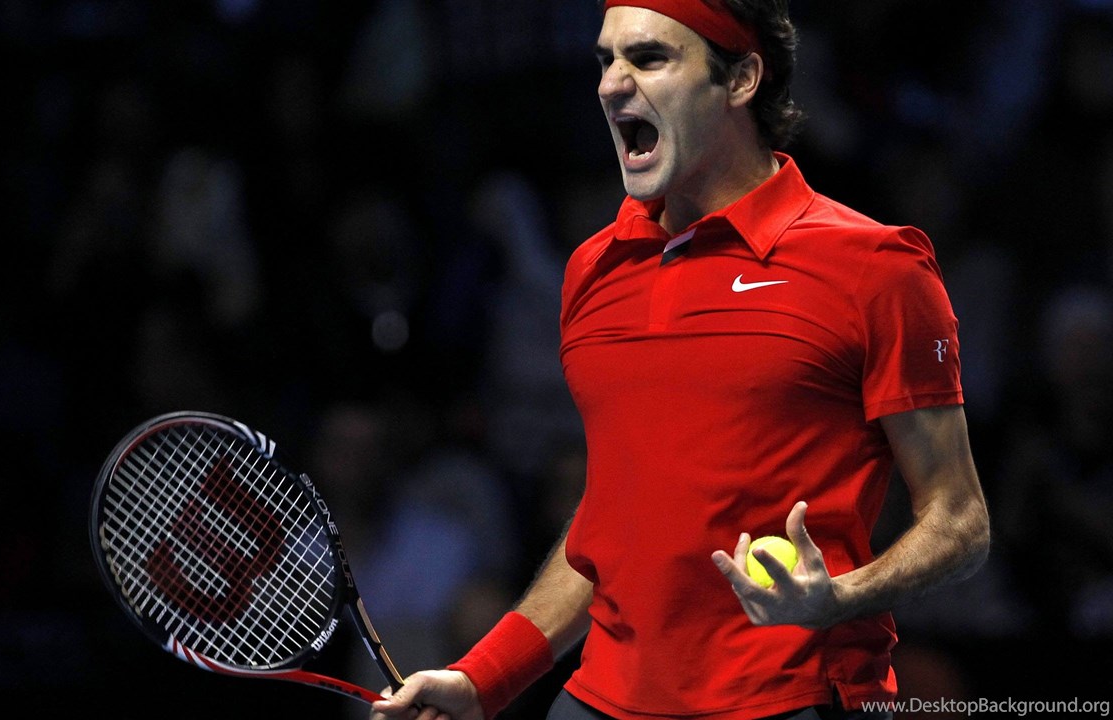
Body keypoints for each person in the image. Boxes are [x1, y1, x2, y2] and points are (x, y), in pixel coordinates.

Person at [370, 1, 991, 719]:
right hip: (597, 701)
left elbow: (960, 519)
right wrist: (484, 679)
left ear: (741, 79)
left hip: (787, 700)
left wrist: (841, 597)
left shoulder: (875, 268)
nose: (612, 84)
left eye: (649, 58)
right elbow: (611, 520)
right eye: (606, 61)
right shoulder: (594, 271)